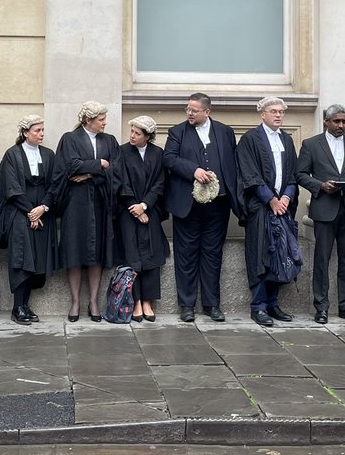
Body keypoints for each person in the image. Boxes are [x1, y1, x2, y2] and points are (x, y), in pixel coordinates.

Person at [163, 92, 239, 323]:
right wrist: (193, 170)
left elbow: (232, 163)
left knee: (212, 254)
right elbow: (169, 159)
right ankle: (186, 305)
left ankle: (211, 304)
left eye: (194, 110)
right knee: (186, 255)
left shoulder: (225, 132)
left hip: (218, 205)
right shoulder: (177, 132)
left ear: (207, 112)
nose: (189, 113)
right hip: (188, 205)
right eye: (188, 109)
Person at [296, 103, 345, 325]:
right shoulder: (311, 144)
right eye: (336, 121)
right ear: (326, 121)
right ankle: (322, 307)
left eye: (344, 121)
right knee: (322, 259)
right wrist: (320, 185)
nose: (341, 125)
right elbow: (299, 174)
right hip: (325, 208)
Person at [54, 101, 120, 322]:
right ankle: (75, 302)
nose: (104, 123)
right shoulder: (69, 139)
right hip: (75, 203)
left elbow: (115, 169)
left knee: (96, 253)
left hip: (101, 202)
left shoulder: (109, 140)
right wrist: (99, 164)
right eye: (101, 119)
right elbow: (70, 166)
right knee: (74, 250)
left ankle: (93, 301)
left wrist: (90, 173)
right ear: (87, 120)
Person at [236, 96, 299, 327]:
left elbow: (293, 174)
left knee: (280, 256)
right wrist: (271, 200)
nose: (278, 115)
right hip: (261, 208)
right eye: (273, 111)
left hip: (282, 207)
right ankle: (258, 306)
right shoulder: (250, 139)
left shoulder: (287, 139)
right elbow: (249, 175)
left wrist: (286, 197)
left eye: (281, 112)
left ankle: (273, 303)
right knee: (261, 255)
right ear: (262, 114)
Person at [0, 115, 58, 325]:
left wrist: (42, 209)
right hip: (19, 214)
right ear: (25, 133)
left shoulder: (48, 155)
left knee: (37, 260)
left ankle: (26, 305)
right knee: (21, 260)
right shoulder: (12, 155)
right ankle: (17, 307)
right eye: (37, 130)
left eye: (42, 130)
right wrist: (31, 212)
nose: (41, 134)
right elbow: (12, 188)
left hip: (42, 214)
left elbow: (54, 186)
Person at [117, 116, 170, 323]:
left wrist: (145, 205)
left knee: (151, 256)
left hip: (151, 211)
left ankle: (148, 301)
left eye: (137, 133)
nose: (132, 136)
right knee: (132, 256)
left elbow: (160, 183)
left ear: (148, 136)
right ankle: (136, 300)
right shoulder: (121, 152)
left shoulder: (158, 154)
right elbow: (120, 182)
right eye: (131, 131)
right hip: (128, 211)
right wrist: (136, 209)